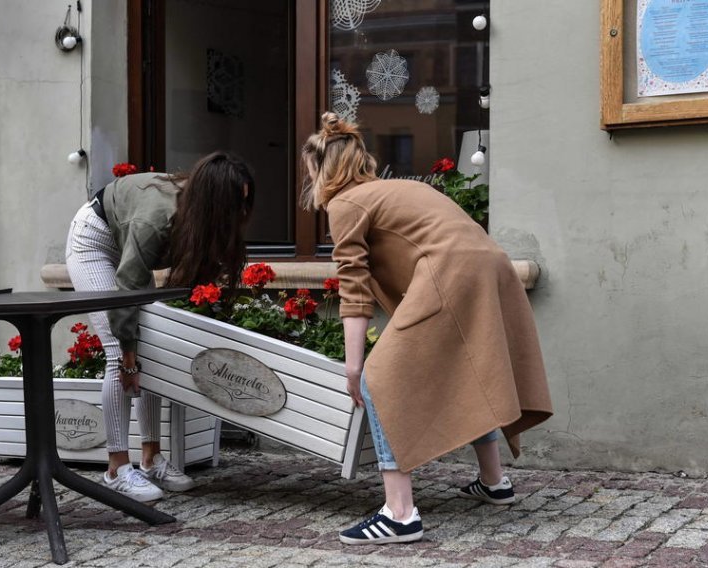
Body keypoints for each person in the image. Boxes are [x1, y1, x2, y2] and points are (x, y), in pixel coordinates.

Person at [301, 113, 553, 544]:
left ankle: (399, 514)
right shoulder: (400, 188)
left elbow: (354, 288)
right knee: (471, 370)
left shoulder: (345, 203)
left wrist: (355, 366)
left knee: (381, 379)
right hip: (490, 266)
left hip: (452, 272)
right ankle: (494, 481)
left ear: (323, 171)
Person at [65, 152, 255, 502]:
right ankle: (117, 468)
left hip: (126, 250)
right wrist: (128, 356)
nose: (238, 214)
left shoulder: (198, 215)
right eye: (233, 204)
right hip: (94, 240)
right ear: (212, 199)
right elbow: (127, 287)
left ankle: (150, 460)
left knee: (148, 350)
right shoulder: (157, 216)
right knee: (116, 354)